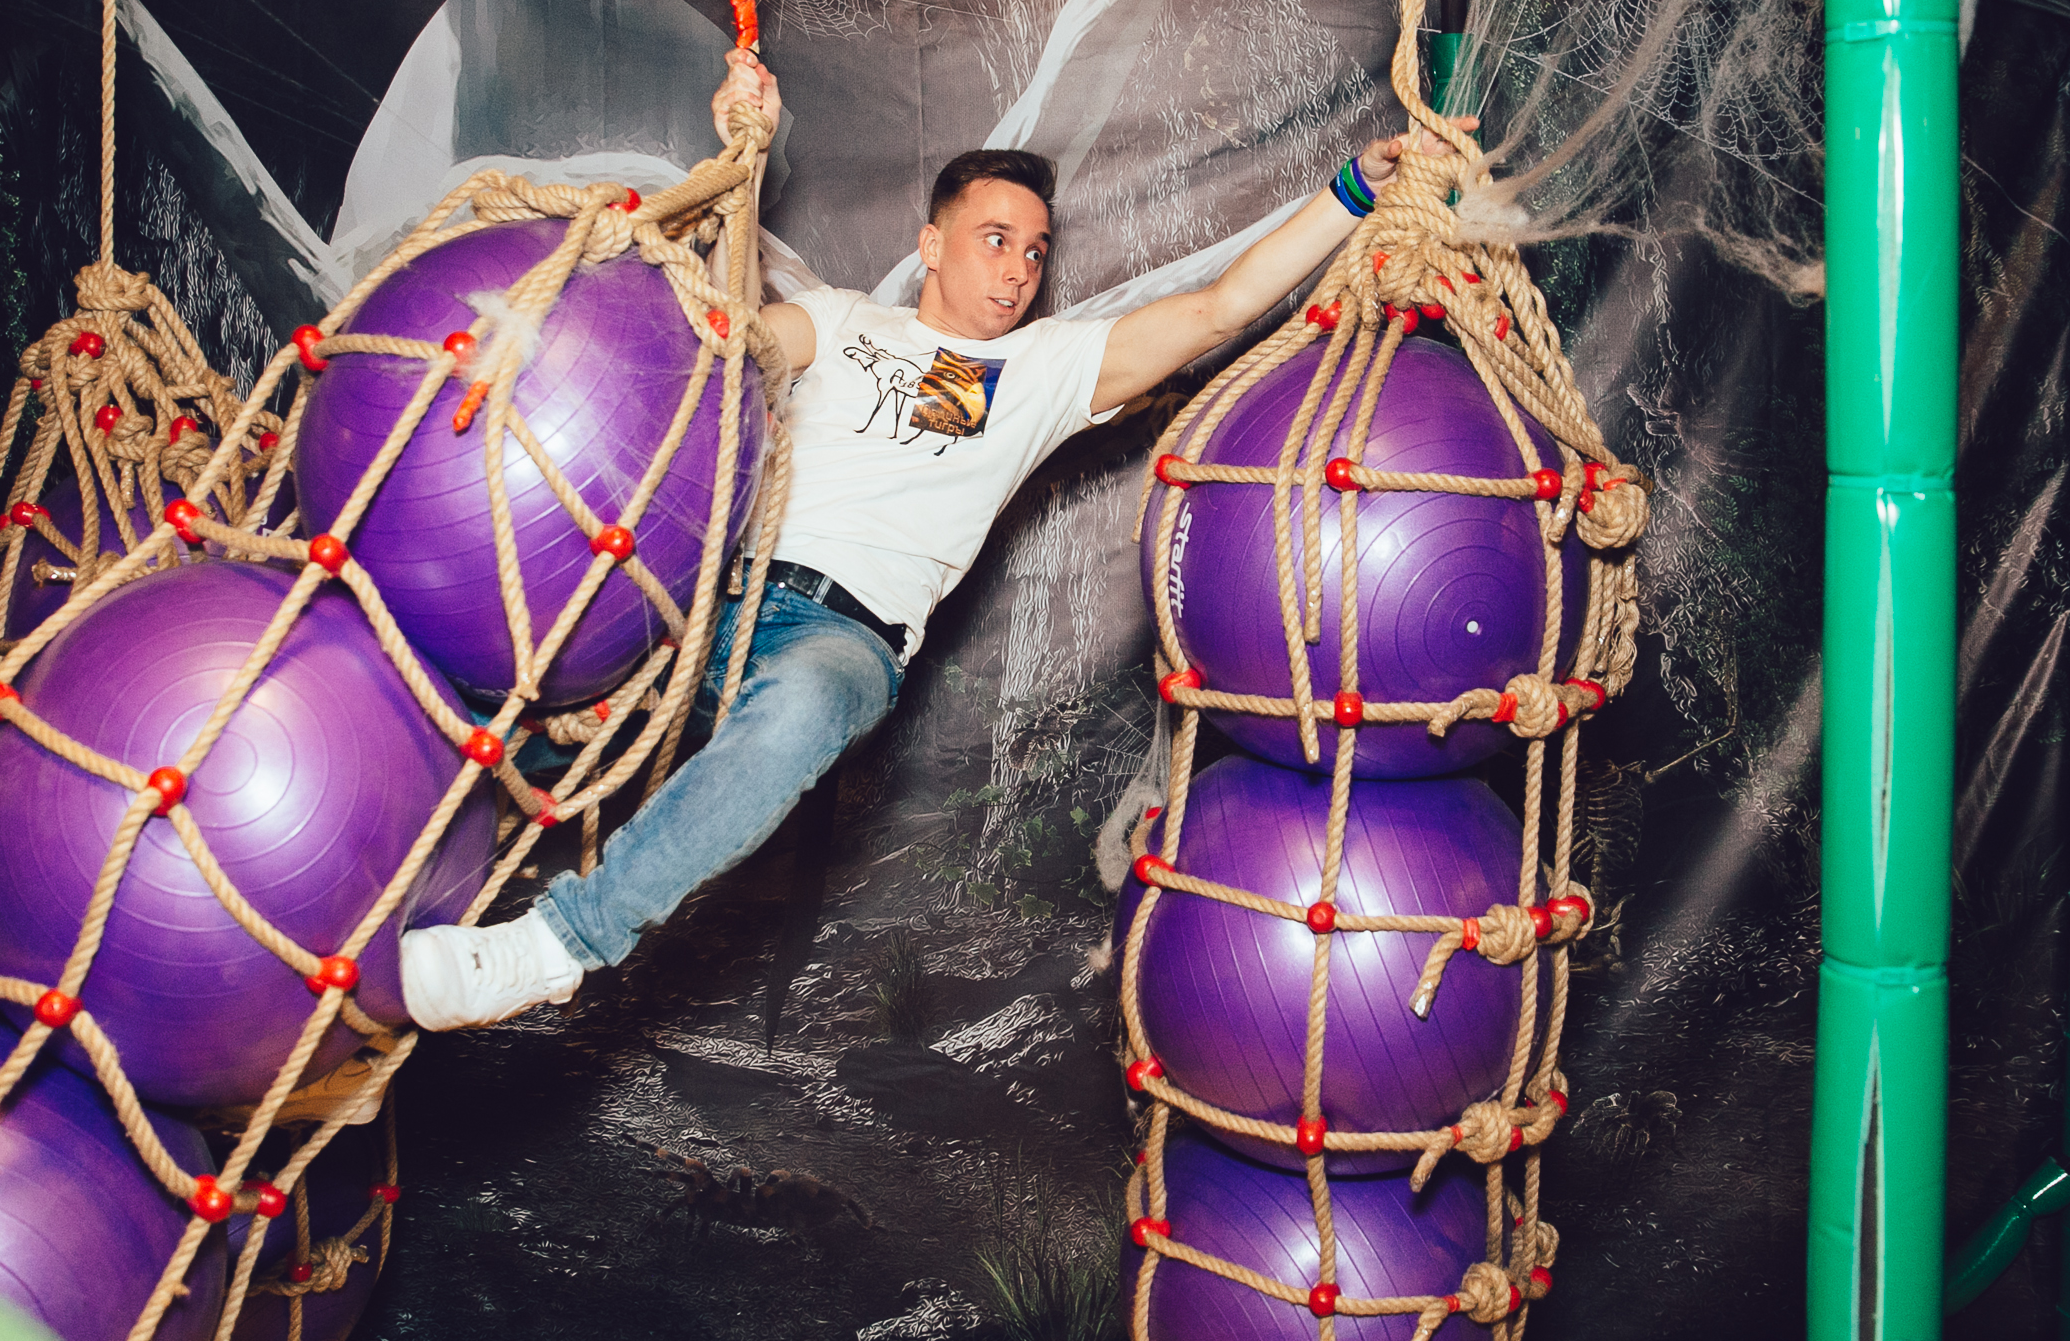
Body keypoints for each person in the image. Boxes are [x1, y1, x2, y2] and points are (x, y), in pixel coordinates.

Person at [398, 51, 1476, 1030]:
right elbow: (717, 344)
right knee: (504, 701)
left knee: (806, 706)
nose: (1017, 269)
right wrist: (738, 157)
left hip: (837, 637)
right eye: (994, 239)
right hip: (705, 595)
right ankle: (376, 859)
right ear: (931, 244)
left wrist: (1355, 189)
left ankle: (554, 947)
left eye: (1035, 252)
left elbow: (1219, 307)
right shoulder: (838, 318)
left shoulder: (1043, 370)